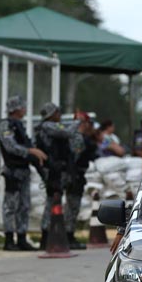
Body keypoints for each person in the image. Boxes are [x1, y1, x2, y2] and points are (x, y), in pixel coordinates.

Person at [0, 96, 47, 251]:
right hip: (12, 171)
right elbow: (10, 146)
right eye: (23, 107)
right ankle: (9, 239)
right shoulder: (6, 125)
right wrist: (30, 151)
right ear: (16, 109)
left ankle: (22, 238)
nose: (25, 110)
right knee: (10, 206)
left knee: (24, 206)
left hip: (23, 171)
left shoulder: (19, 125)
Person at [35, 102, 81, 250]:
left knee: (57, 202)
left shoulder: (52, 126)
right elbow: (66, 132)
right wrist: (78, 121)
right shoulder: (47, 126)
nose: (59, 115)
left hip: (60, 170)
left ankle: (57, 236)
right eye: (57, 112)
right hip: (53, 172)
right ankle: (45, 237)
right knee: (51, 203)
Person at [63, 111, 99, 250]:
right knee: (72, 207)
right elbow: (74, 159)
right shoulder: (77, 138)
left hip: (77, 175)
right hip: (74, 175)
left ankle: (69, 234)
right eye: (87, 123)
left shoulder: (82, 137)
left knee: (74, 206)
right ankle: (68, 235)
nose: (89, 126)